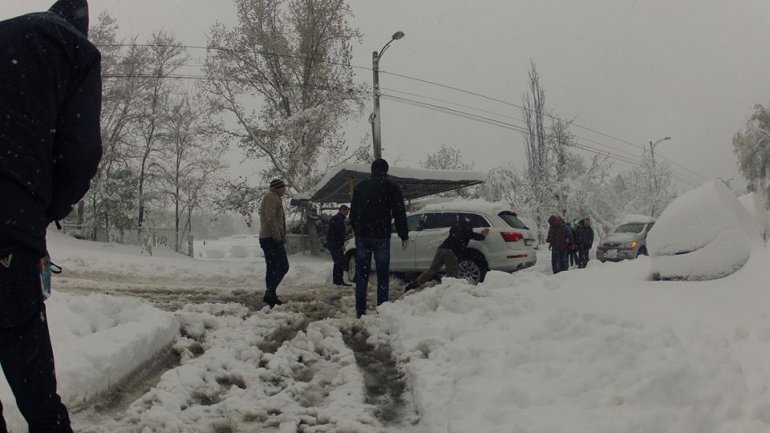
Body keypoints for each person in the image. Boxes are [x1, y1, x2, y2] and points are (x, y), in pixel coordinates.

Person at [0, 1, 102, 431]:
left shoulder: (5, 33)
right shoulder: (74, 49)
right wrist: (43, 209)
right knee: (31, 366)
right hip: (9, 224)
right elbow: (80, 154)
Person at [349, 159, 409, 318]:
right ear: (386, 170)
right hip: (381, 235)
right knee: (383, 274)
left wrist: (357, 230)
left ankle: (360, 311)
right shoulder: (392, 187)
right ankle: (382, 309)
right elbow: (399, 212)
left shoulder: (360, 187)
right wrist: (404, 235)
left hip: (363, 235)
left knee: (362, 275)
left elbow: (353, 212)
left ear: (372, 170)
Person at [404, 220, 490, 291]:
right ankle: (450, 291)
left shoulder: (455, 229)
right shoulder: (467, 231)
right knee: (453, 274)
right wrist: (483, 234)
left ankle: (415, 284)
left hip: (441, 249)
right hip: (450, 252)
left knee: (432, 270)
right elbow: (479, 237)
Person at [259, 178, 289, 307]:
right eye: (283, 187)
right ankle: (270, 292)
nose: (285, 190)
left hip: (269, 238)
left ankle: (271, 294)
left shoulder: (274, 197)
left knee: (272, 268)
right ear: (277, 188)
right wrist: (278, 237)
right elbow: (270, 218)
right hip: (271, 238)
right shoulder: (272, 197)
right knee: (283, 266)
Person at [326, 204, 351, 286]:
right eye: (346, 212)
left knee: (338, 262)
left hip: (332, 242)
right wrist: (341, 244)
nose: (347, 214)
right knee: (340, 261)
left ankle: (337, 280)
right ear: (342, 210)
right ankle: (339, 280)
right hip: (335, 243)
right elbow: (339, 233)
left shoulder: (335, 218)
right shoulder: (339, 219)